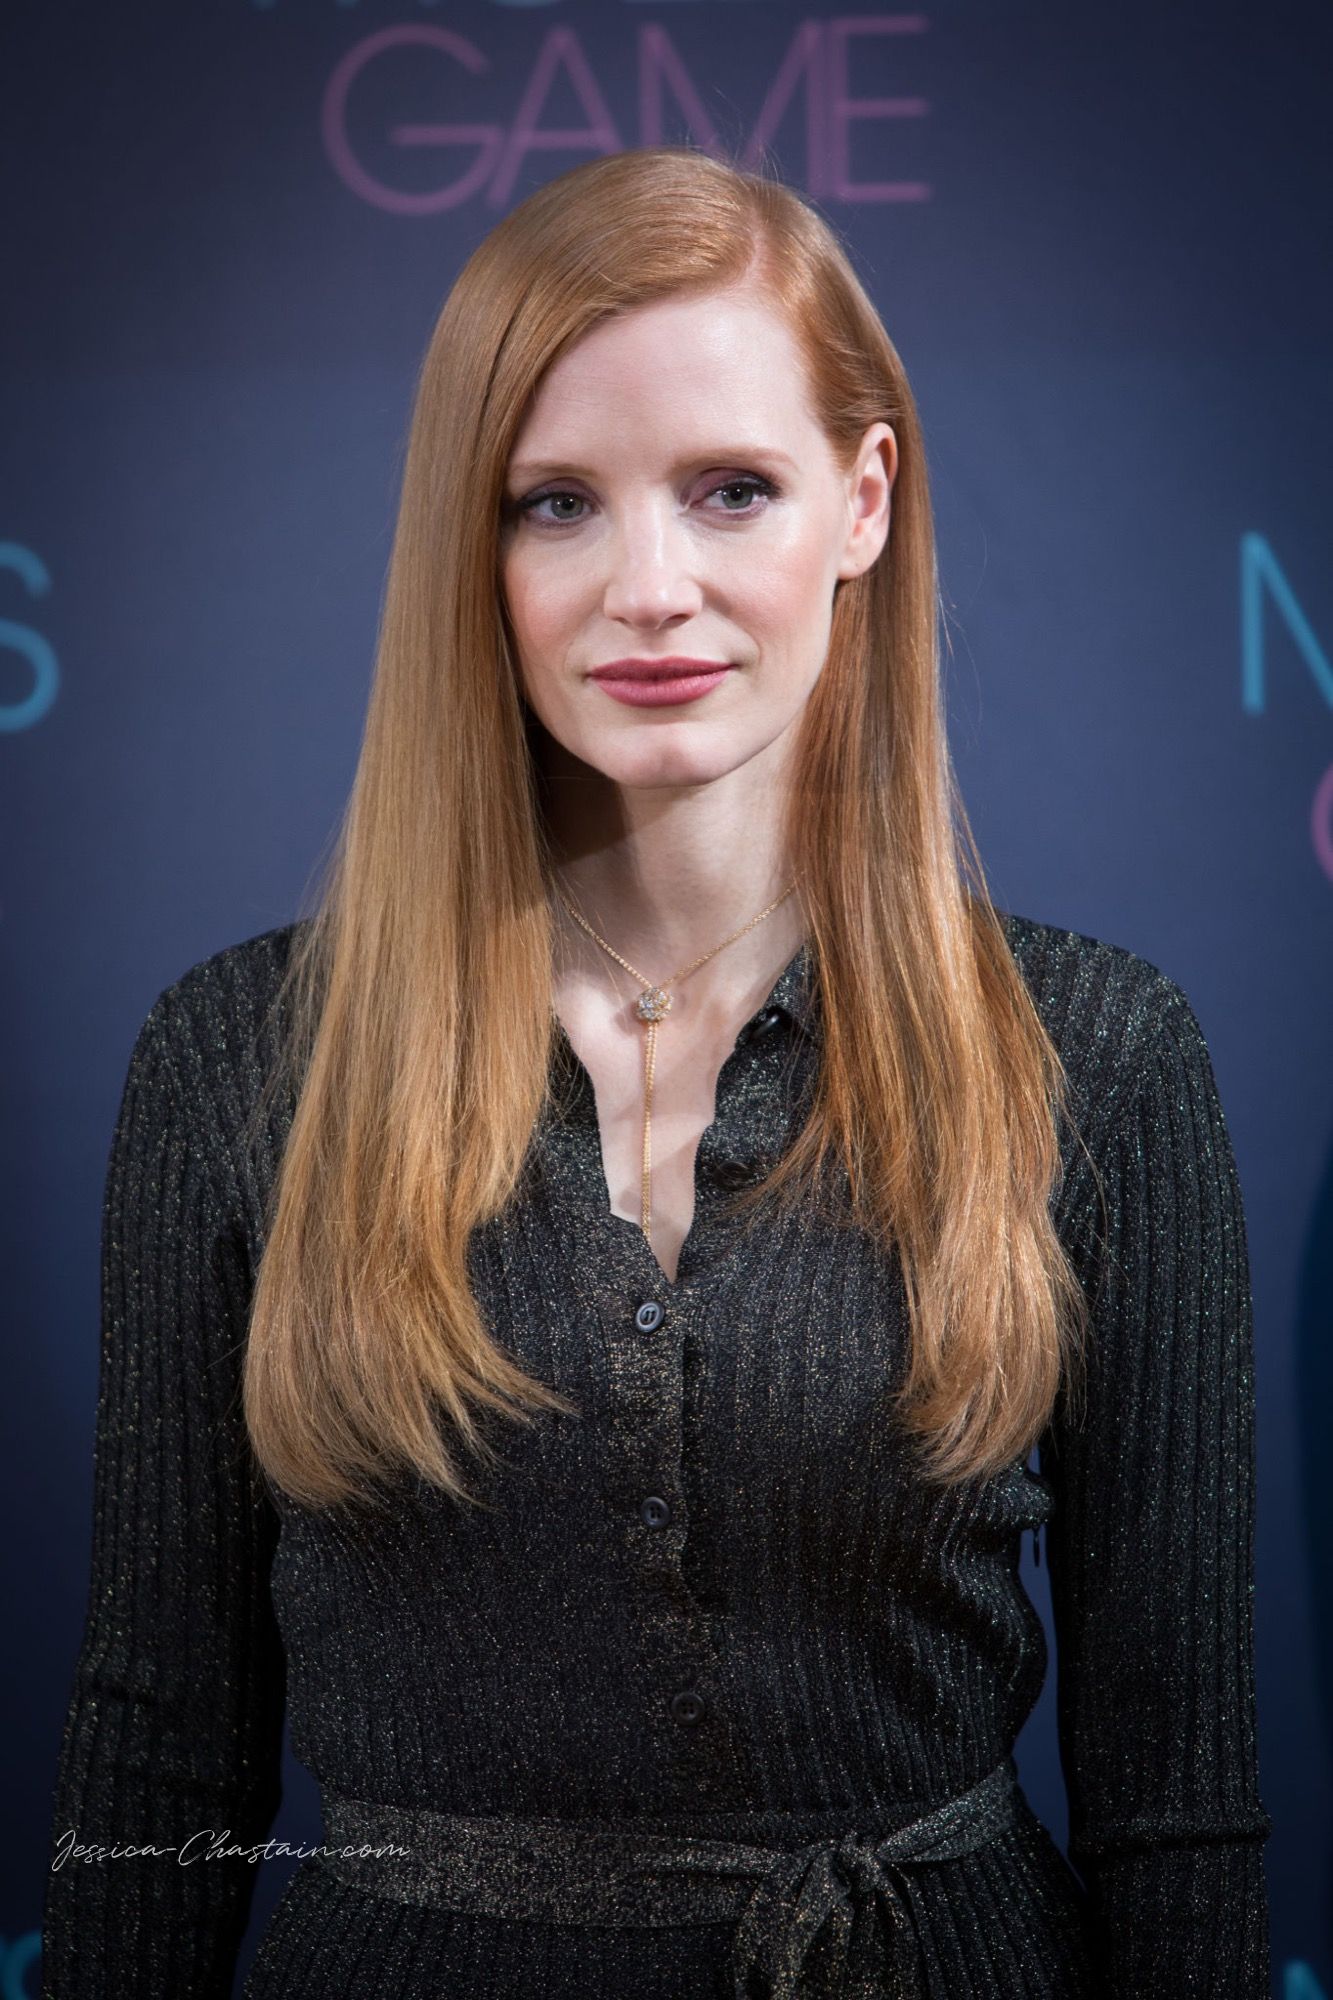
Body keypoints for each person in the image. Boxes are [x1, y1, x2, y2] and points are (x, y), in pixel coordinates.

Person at [42, 145, 1273, 1999]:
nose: (647, 587)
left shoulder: (1098, 1054)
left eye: (729, 490)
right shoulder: (239, 1061)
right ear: (470, 546)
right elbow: (157, 1746)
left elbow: (1176, 1803)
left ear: (863, 501)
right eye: (555, 503)